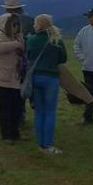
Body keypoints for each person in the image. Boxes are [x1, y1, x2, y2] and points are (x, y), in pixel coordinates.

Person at [27, 15, 68, 154]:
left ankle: (40, 144)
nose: (33, 25)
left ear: (38, 25)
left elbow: (28, 56)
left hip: (35, 77)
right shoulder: (56, 40)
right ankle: (48, 145)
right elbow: (63, 58)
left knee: (39, 112)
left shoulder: (32, 40)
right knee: (50, 112)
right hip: (51, 78)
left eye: (34, 23)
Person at [0, 13, 25, 144]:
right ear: (6, 25)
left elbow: (23, 49)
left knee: (16, 107)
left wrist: (19, 42)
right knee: (5, 107)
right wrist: (16, 44)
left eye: (17, 25)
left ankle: (15, 132)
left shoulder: (17, 36)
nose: (16, 27)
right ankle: (7, 135)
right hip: (0, 77)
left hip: (14, 77)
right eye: (13, 25)